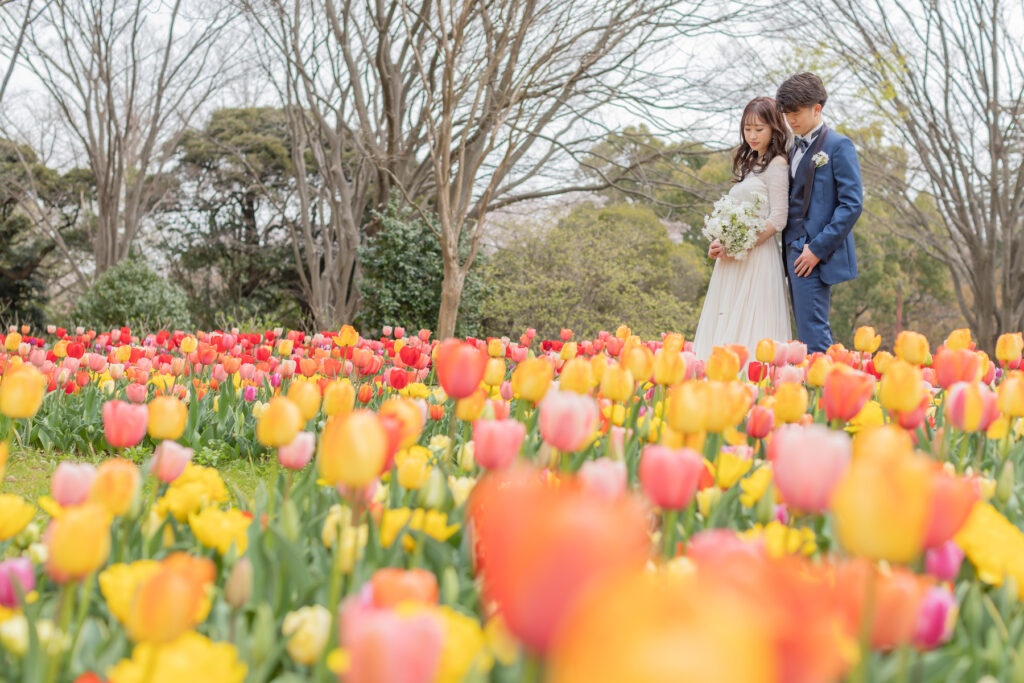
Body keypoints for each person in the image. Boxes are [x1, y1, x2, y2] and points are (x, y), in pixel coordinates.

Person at [693, 96, 792, 361]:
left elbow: (778, 218)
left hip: (757, 259)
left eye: (759, 129)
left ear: (774, 128)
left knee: (751, 327)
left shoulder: (777, 164)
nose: (752, 135)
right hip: (732, 260)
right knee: (725, 324)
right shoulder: (751, 165)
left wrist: (738, 245)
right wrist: (720, 240)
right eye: (747, 129)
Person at [776, 72, 863, 354]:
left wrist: (817, 249)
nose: (791, 119)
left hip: (812, 254)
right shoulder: (789, 148)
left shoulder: (839, 146)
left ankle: (824, 394)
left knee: (813, 333)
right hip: (788, 249)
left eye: (796, 112)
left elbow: (851, 204)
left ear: (817, 108)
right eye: (787, 113)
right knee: (801, 330)